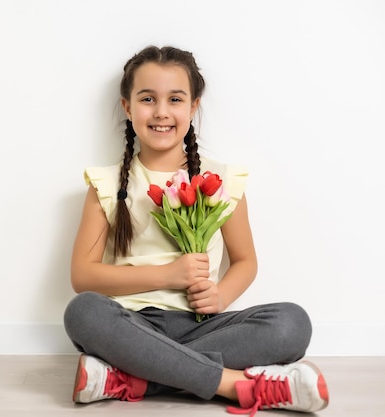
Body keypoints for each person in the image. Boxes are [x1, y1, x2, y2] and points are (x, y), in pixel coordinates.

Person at [63, 45, 329, 415]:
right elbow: (82, 276)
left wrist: (220, 297)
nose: (161, 112)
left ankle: (134, 378)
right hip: (133, 325)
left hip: (203, 326)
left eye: (175, 99)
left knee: (291, 323)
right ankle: (235, 385)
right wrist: (168, 274)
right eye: (147, 99)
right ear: (127, 107)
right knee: (84, 312)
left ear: (193, 107)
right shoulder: (106, 185)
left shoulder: (221, 180)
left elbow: (245, 261)